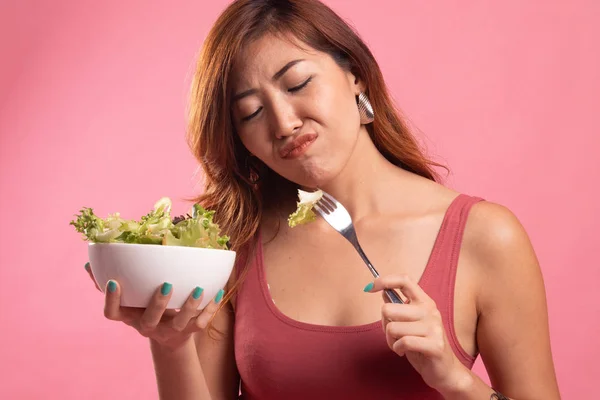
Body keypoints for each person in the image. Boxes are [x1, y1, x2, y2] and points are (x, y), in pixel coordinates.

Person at [84, 0, 561, 398]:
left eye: (297, 84)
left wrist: (456, 382)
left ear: (355, 76)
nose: (284, 122)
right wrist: (170, 346)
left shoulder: (486, 237)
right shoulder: (231, 246)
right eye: (250, 112)